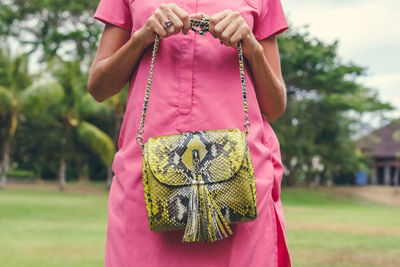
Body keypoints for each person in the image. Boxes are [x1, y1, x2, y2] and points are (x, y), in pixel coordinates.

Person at [88, 0, 291, 266]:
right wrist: (141, 38)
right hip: (146, 179)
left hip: (241, 181)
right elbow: (99, 87)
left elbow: (275, 107)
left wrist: (251, 47)